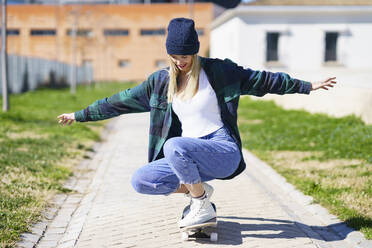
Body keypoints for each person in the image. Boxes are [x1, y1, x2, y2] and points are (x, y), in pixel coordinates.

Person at [57, 17, 336, 228]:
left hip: (221, 149)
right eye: (175, 56)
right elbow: (118, 100)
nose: (180, 62)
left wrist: (306, 86)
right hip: (185, 155)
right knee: (142, 180)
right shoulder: (160, 82)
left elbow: (262, 80)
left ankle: (200, 203)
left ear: (195, 52)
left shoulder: (219, 72)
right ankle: (199, 191)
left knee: (175, 145)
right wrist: (79, 115)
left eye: (185, 56)